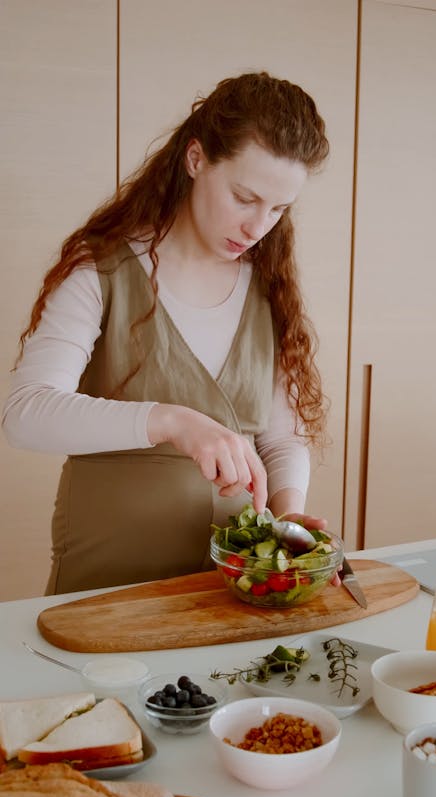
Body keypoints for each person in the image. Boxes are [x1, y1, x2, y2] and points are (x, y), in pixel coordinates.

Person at [2, 70, 339, 596]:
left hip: (225, 591)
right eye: (244, 197)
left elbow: (278, 436)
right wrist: (171, 421)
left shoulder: (267, 286)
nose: (258, 227)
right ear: (197, 159)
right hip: (105, 588)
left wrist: (288, 518)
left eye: (277, 209)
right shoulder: (102, 269)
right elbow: (25, 414)